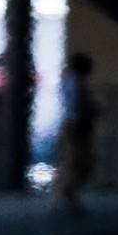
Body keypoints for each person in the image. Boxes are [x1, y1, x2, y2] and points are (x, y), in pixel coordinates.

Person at [52, 52, 98, 211]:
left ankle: (67, 192)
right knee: (81, 162)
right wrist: (92, 110)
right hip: (77, 126)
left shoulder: (67, 82)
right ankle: (67, 191)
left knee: (76, 161)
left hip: (72, 125)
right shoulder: (77, 85)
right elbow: (80, 105)